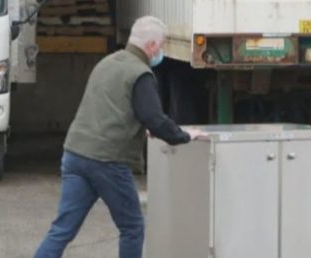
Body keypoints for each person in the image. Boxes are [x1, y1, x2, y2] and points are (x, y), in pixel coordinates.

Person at [33, 16, 206, 258]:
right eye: (162, 44)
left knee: (62, 229)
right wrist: (185, 135)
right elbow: (155, 118)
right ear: (152, 45)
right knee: (132, 228)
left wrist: (139, 128)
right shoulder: (141, 74)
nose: (162, 50)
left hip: (75, 154)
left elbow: (109, 108)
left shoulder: (108, 63)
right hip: (107, 161)